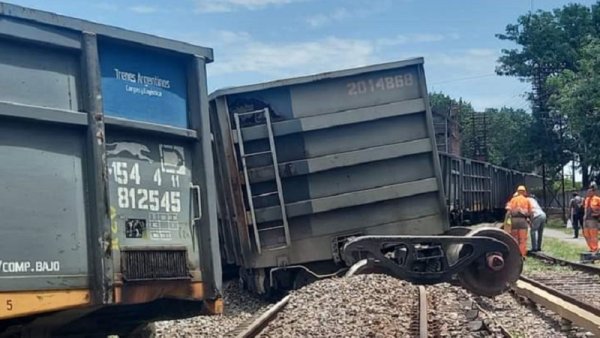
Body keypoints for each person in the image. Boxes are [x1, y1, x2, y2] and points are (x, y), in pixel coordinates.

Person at [506, 185, 532, 257]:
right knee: (522, 239)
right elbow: (530, 212)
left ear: (517, 192)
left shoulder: (513, 199)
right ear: (524, 192)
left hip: (514, 221)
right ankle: (522, 255)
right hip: (522, 221)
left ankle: (514, 254)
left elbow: (508, 212)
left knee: (514, 239)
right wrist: (531, 221)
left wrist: (506, 223)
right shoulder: (527, 200)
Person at [583, 185, 600, 253]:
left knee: (593, 234)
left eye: (590, 191)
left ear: (593, 192)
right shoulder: (586, 199)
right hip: (586, 219)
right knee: (586, 234)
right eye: (588, 192)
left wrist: (597, 213)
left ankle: (595, 248)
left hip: (593, 219)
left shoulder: (597, 199)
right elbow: (585, 208)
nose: (588, 193)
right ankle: (591, 247)